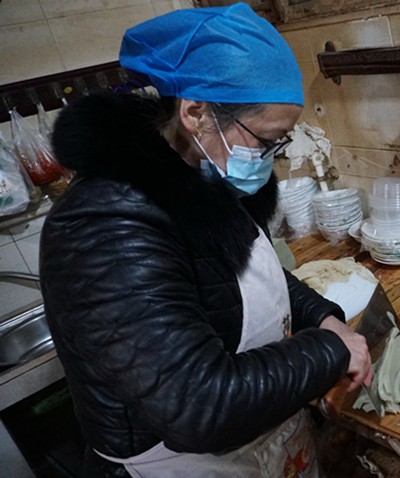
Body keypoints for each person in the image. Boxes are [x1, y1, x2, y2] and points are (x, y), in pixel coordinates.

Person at [38, 4, 371, 477]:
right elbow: (199, 406)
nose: (271, 158)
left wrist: (323, 318)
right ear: (196, 112)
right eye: (267, 141)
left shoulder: (202, 174)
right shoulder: (105, 228)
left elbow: (250, 276)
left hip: (262, 438)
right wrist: (330, 351)